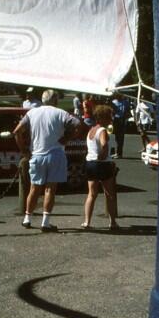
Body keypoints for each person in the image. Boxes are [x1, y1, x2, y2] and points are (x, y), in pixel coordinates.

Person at [13, 89, 81, 232]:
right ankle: (45, 221)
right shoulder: (60, 113)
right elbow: (77, 124)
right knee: (50, 189)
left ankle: (27, 218)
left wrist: (23, 149)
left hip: (36, 154)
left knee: (34, 188)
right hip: (55, 154)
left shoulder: (31, 113)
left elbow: (17, 131)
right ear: (55, 100)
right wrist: (67, 138)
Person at [82, 104, 119, 230]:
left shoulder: (91, 131)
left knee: (91, 194)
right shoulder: (102, 130)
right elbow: (104, 145)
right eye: (109, 117)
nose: (111, 119)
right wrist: (103, 155)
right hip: (102, 164)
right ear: (102, 118)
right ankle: (113, 222)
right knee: (109, 194)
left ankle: (87, 222)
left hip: (90, 163)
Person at [110, 93, 131, 159]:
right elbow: (111, 111)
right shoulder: (113, 102)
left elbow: (128, 111)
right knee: (115, 137)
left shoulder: (126, 102)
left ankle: (119, 153)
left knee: (121, 137)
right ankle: (116, 152)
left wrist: (126, 117)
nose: (118, 96)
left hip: (122, 119)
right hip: (116, 120)